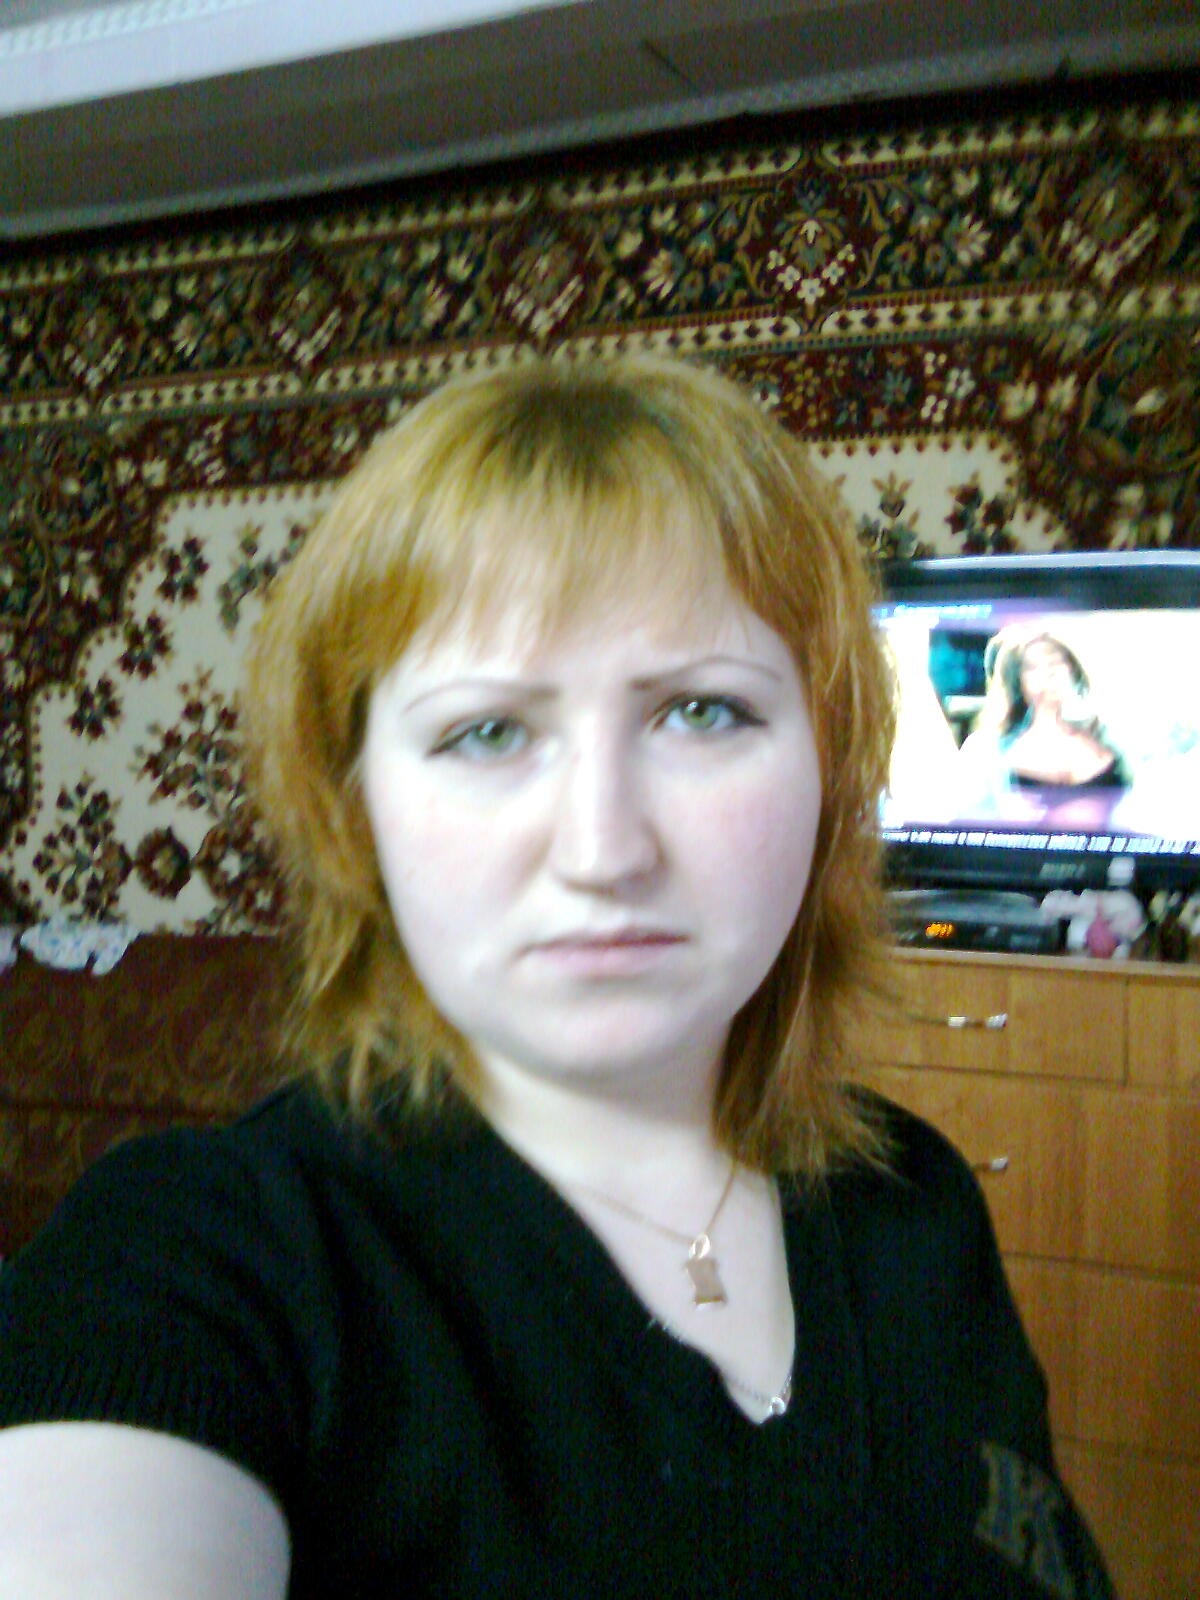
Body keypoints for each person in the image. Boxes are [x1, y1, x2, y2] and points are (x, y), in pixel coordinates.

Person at [0, 355, 1113, 1598]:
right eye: (487, 731)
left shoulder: (921, 1207)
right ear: (357, 808)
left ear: (832, 767)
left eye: (701, 712)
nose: (603, 849)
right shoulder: (208, 1255)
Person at [960, 627, 1130, 791]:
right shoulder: (985, 750)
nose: (1048, 673)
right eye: (1031, 667)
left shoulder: (1102, 735)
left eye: (1055, 662)